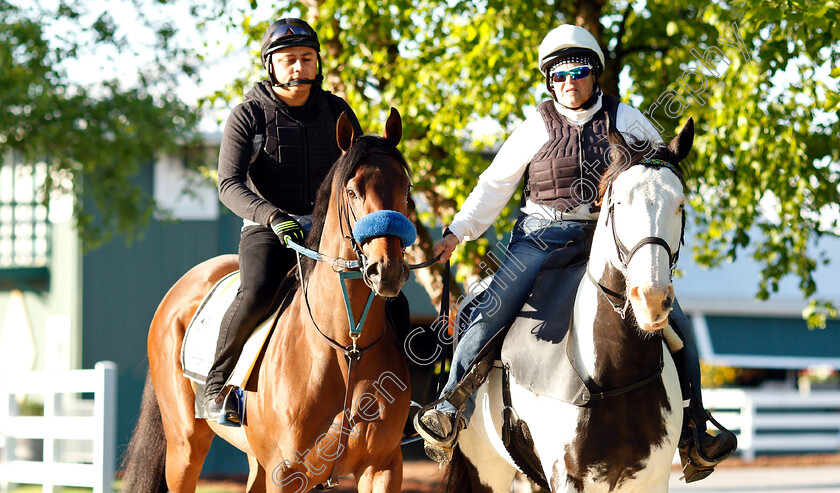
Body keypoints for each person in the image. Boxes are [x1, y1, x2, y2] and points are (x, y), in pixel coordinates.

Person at [414, 24, 737, 481]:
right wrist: (459, 231)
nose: (569, 81)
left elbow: (659, 173)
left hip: (605, 243)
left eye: (579, 71)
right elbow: (495, 185)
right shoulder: (535, 127)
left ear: (595, 74)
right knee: (492, 307)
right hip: (538, 240)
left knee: (676, 323)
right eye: (559, 75)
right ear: (549, 81)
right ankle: (449, 406)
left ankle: (694, 431)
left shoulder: (626, 120)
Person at [205, 17, 363, 426]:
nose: (299, 67)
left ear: (317, 63)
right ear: (270, 66)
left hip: (329, 230)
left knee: (385, 293)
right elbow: (228, 184)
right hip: (267, 226)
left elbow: (357, 174)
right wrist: (271, 216)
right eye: (289, 59)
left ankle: (404, 395)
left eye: (307, 58)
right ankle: (217, 386)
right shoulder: (248, 116)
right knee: (257, 290)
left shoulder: (338, 111)